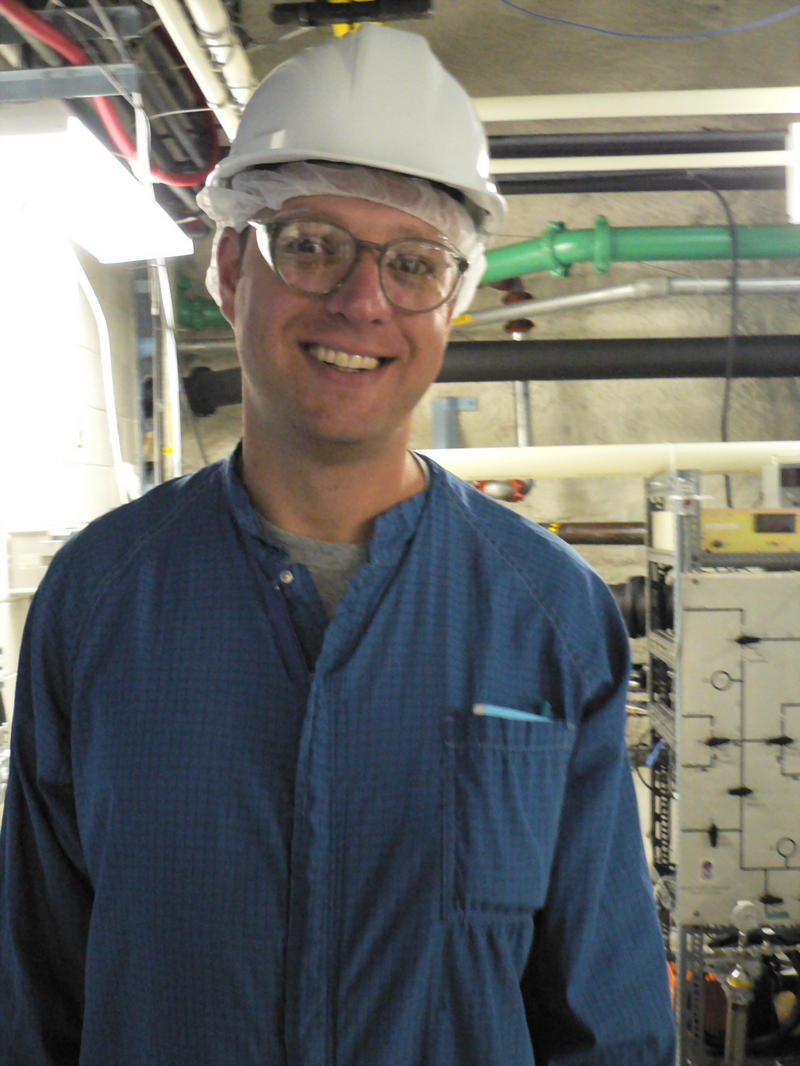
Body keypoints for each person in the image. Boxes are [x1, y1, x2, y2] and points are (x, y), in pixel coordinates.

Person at [0, 24, 675, 1066]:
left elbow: (606, 1020)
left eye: (413, 264)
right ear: (232, 267)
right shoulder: (100, 599)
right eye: (311, 243)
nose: (362, 301)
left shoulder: (548, 616)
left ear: (450, 303)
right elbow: (35, 993)